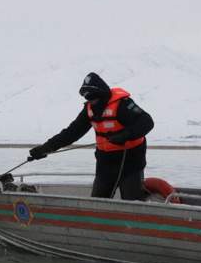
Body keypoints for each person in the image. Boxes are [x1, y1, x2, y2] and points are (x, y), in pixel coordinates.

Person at [28, 72, 154, 200]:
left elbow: (147, 122)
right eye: (89, 99)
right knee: (97, 201)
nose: (92, 102)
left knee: (131, 201)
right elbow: (71, 133)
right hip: (105, 163)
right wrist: (44, 149)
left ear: (102, 95)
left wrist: (124, 135)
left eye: (94, 98)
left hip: (130, 161)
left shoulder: (123, 104)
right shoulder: (89, 109)